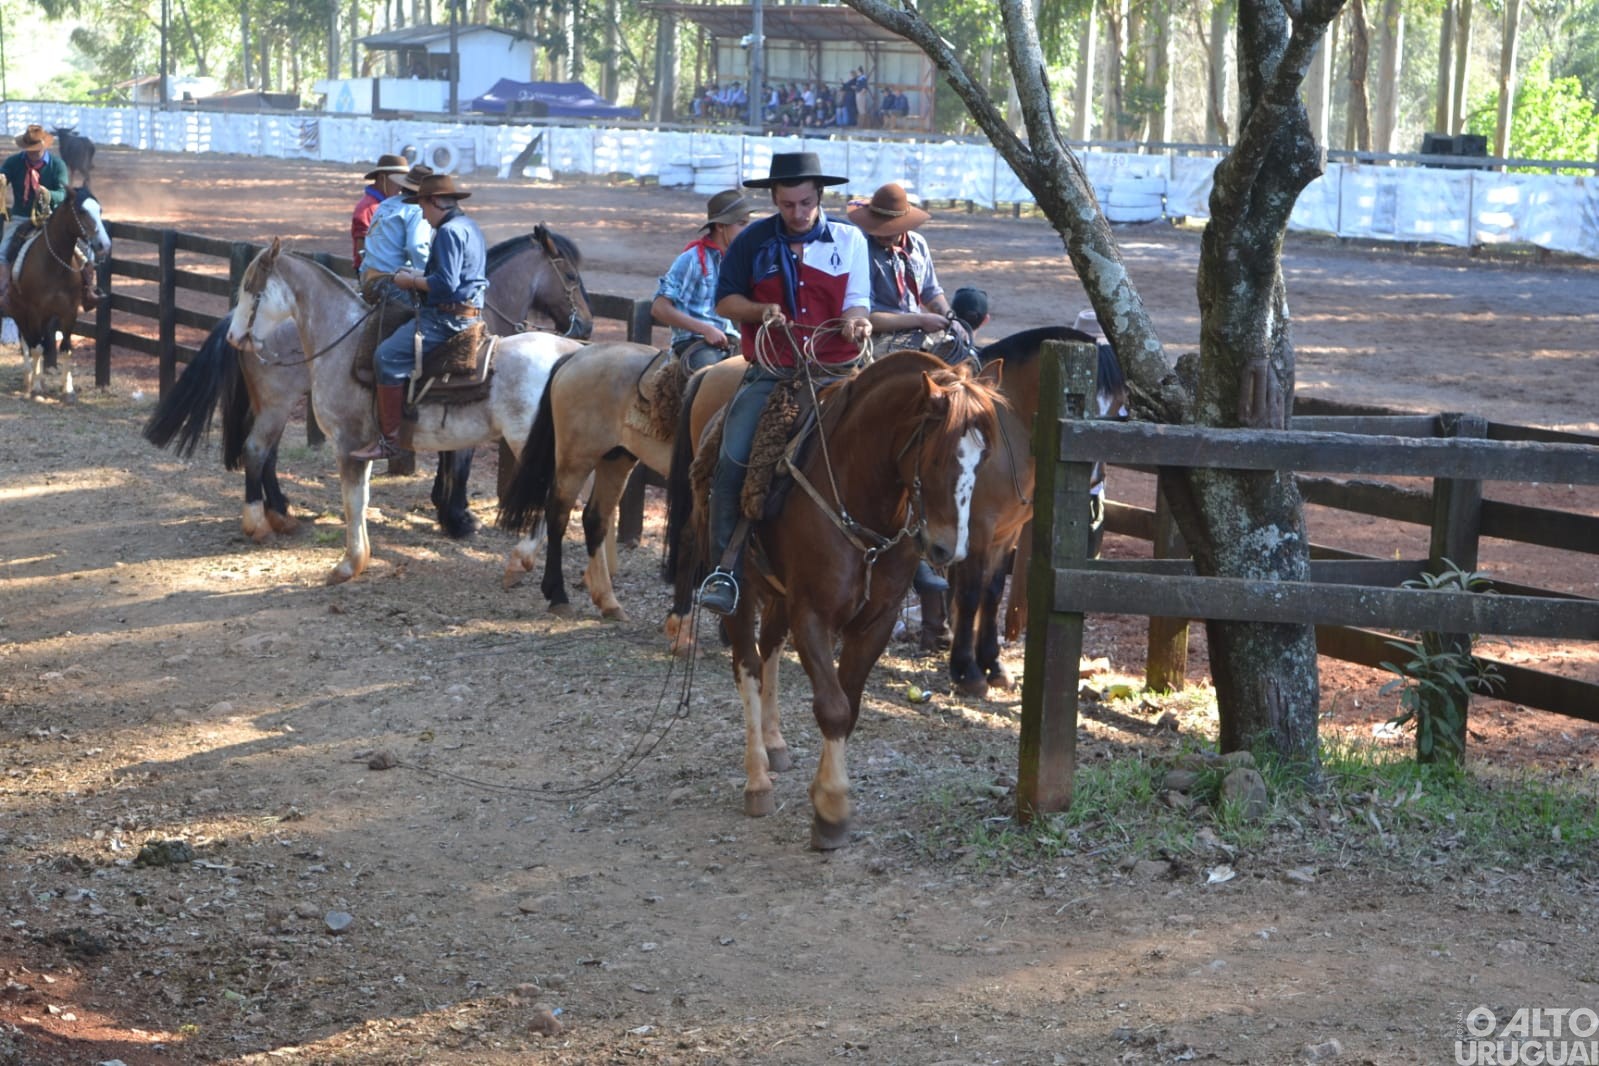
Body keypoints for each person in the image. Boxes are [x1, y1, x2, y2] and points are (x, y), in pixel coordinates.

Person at [696, 151, 873, 617]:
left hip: (838, 369)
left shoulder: (851, 239)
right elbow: (725, 302)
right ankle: (723, 571)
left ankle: (907, 558)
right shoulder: (751, 241)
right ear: (774, 199)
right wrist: (759, 312)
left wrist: (856, 323)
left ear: (820, 197)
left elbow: (857, 302)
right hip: (772, 371)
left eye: (806, 203)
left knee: (894, 442)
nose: (798, 213)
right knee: (732, 458)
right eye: (788, 204)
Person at [351, 173, 488, 462]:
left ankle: (391, 442)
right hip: (470, 310)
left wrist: (411, 282)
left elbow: (446, 285)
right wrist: (417, 275)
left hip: (445, 320)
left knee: (386, 357)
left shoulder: (448, 232)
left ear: (435, 201)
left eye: (423, 208)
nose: (423, 217)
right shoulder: (468, 226)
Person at [651, 188, 757, 372]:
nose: (747, 231)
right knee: (710, 378)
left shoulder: (738, 263)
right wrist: (705, 329)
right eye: (741, 224)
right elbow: (659, 308)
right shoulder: (691, 259)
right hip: (694, 342)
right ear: (721, 226)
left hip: (729, 340)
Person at [849, 182, 958, 350]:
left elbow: (930, 292)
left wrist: (952, 319)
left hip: (916, 331)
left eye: (890, 228)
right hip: (878, 336)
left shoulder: (918, 245)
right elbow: (867, 316)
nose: (883, 233)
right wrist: (920, 320)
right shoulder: (862, 250)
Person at [0, 124, 82, 313]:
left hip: (52, 218)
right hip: (22, 216)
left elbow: (63, 194)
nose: (33, 154)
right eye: (30, 151)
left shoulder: (57, 165)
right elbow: (3, 175)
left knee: (82, 252)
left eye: (36, 151)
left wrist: (48, 194)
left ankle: (87, 291)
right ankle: (5, 292)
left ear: (44, 146)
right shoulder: (14, 163)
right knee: (3, 252)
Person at [358, 163, 433, 305]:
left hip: (368, 277)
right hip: (392, 282)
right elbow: (416, 247)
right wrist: (428, 276)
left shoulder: (386, 203)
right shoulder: (417, 210)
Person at [350, 153, 409, 273]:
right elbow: (362, 249)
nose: (402, 186)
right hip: (373, 272)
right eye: (398, 180)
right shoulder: (368, 208)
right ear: (383, 178)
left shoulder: (387, 204)